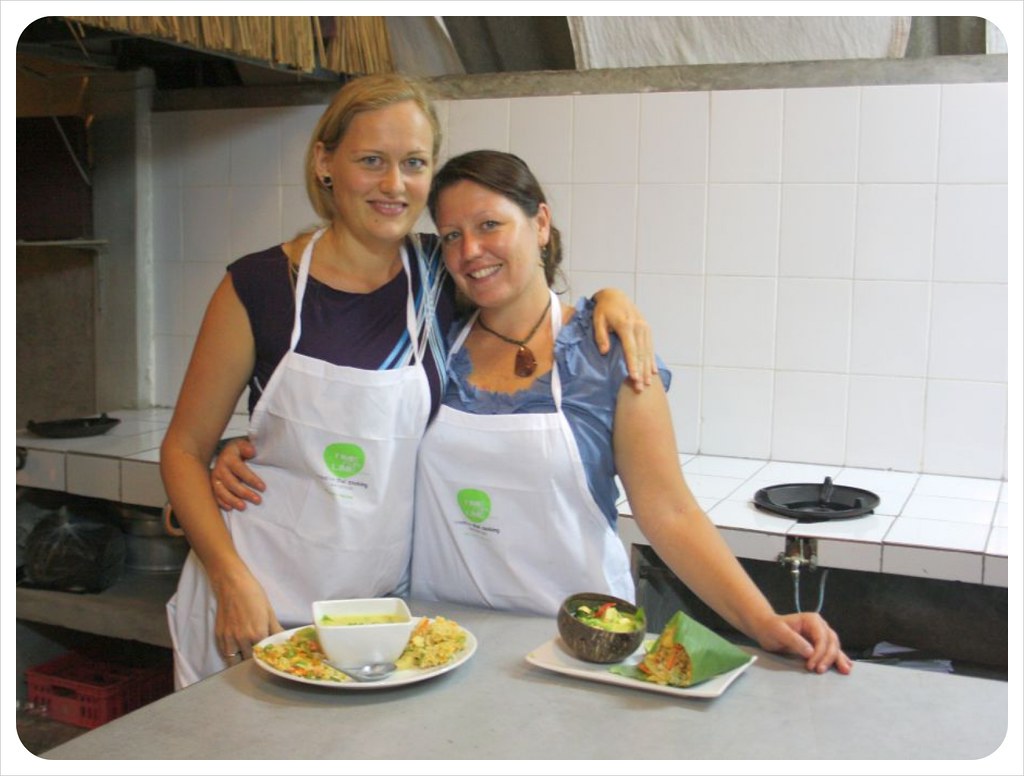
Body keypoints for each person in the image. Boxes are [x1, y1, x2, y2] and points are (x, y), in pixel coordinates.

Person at [215, 149, 852, 675]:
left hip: (580, 646)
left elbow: (671, 512)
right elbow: (354, 435)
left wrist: (763, 620)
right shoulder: (430, 342)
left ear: (540, 224)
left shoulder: (609, 355)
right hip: (438, 648)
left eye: (491, 225)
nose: (470, 251)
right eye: (454, 235)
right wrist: (235, 456)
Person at [161, 75, 653, 688]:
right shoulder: (260, 287)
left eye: (414, 163)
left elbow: (527, 284)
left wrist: (612, 299)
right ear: (325, 162)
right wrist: (229, 578)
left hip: (378, 615)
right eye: (372, 161)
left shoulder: (441, 272)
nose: (395, 185)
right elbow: (182, 448)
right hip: (254, 600)